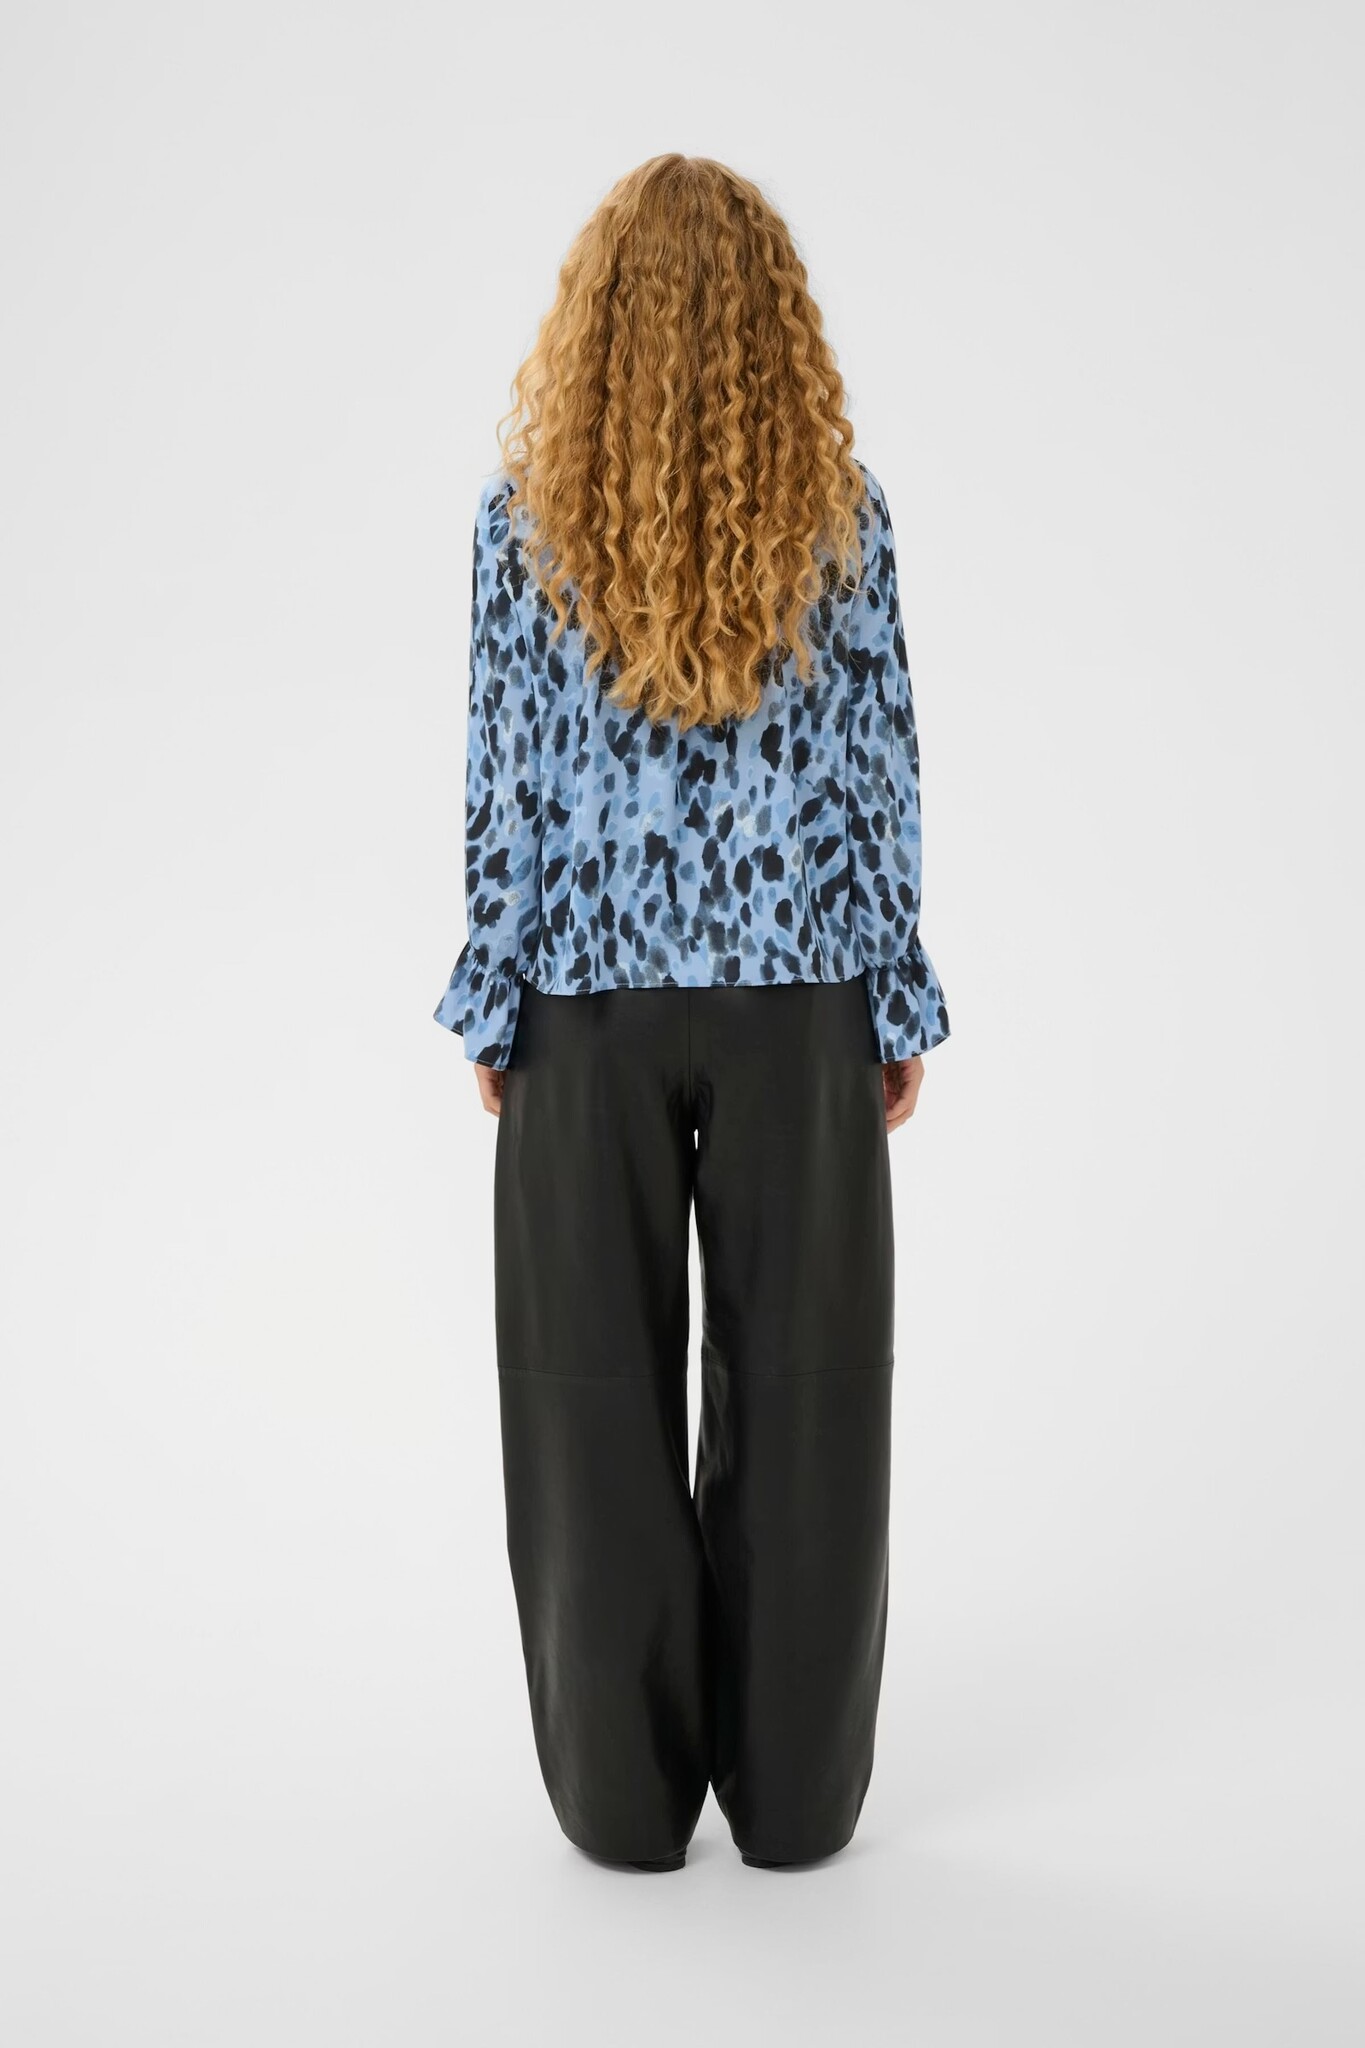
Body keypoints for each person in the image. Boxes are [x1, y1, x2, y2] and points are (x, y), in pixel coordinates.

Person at [432, 154, 950, 1873]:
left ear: (592, 324)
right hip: (798, 1003)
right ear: (773, 326)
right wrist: (892, 996)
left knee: (584, 1395)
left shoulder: (521, 528)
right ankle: (796, 1804)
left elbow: (504, 788)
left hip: (586, 1010)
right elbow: (879, 777)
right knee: (811, 1391)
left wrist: (496, 1002)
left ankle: (620, 1804)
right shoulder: (841, 517)